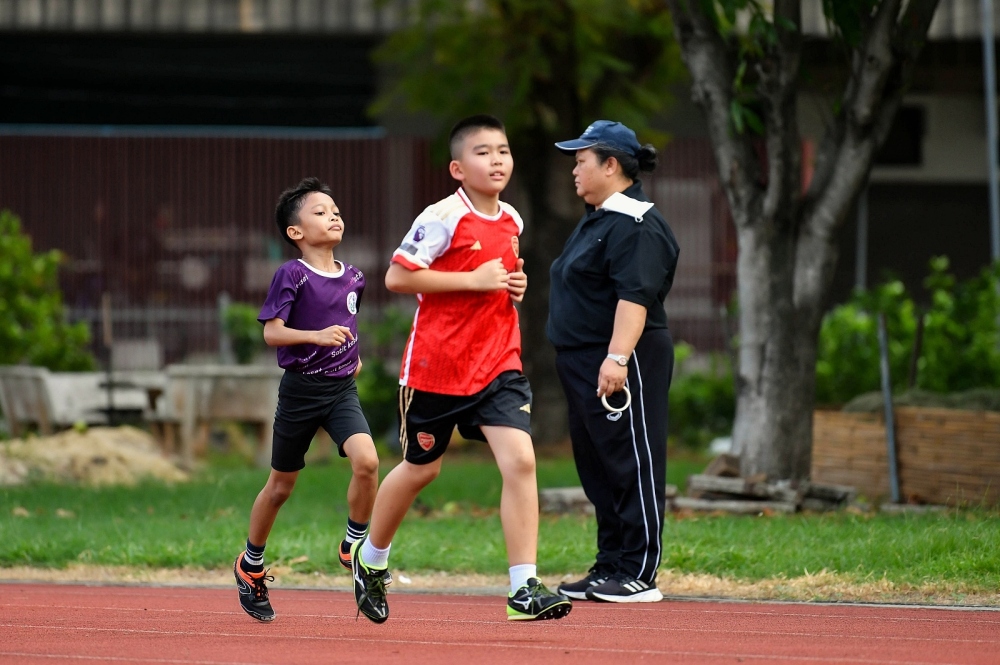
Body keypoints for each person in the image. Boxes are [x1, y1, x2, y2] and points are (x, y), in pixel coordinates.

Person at [349, 114, 572, 623]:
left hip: (498, 363)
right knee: (422, 469)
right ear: (457, 167)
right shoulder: (442, 217)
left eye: (503, 151)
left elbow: (502, 276)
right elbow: (398, 278)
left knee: (521, 462)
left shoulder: (513, 219)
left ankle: (523, 588)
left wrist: (514, 285)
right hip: (437, 367)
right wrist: (472, 281)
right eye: (483, 152)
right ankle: (371, 559)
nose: (496, 161)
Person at [234, 177, 382, 622]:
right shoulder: (291, 274)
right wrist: (316, 337)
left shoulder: (355, 277)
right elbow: (272, 333)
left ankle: (353, 544)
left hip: (340, 391)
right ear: (295, 231)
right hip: (300, 392)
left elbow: (347, 324)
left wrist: (353, 357)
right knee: (281, 487)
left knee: (368, 463)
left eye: (335, 211)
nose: (333, 216)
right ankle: (250, 565)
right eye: (319, 212)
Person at [548, 121, 679, 603]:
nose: (574, 170)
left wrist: (617, 357)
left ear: (610, 165)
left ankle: (639, 572)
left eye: (581, 160)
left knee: (631, 461)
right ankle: (611, 564)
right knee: (599, 466)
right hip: (583, 359)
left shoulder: (635, 222)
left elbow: (635, 297)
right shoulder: (599, 218)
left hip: (623, 358)